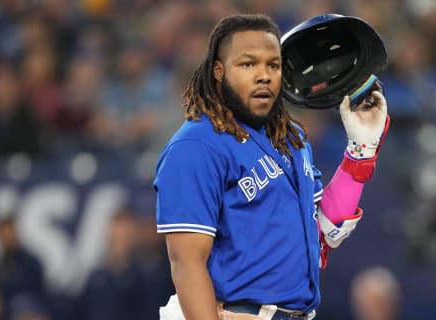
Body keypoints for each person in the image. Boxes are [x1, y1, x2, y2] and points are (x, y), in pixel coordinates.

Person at [154, 14, 389, 320]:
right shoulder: (196, 146)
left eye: (273, 65)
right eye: (248, 64)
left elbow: (324, 232)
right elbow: (186, 264)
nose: (263, 75)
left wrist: (360, 153)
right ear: (218, 71)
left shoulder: (291, 138)